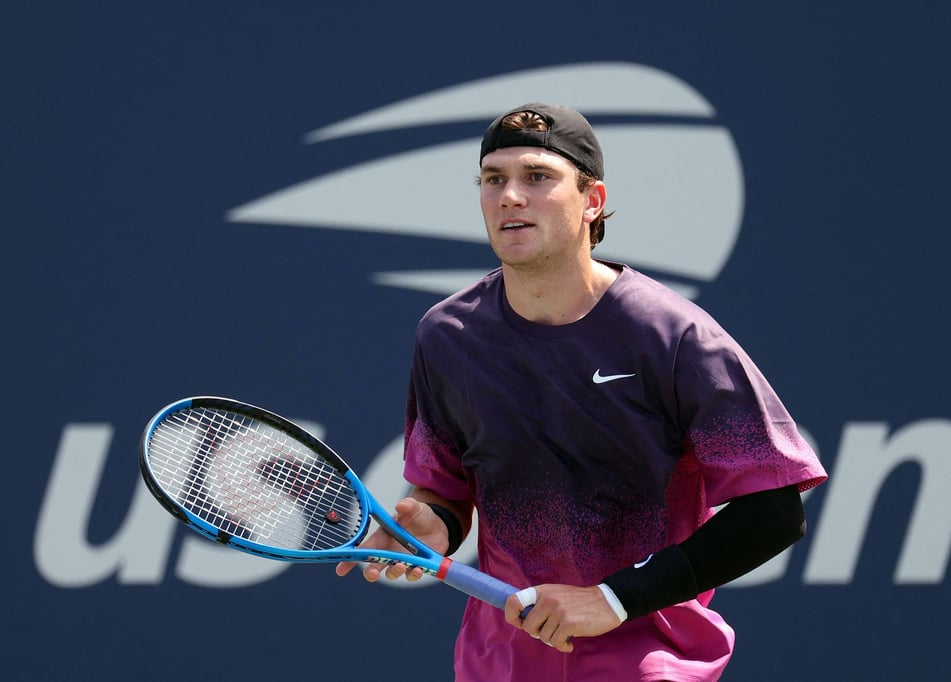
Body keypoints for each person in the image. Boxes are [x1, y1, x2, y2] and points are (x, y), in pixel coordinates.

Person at [336, 102, 828, 681]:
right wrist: (434, 524)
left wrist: (615, 598)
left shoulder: (672, 336)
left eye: (538, 177)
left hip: (644, 663)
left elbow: (774, 511)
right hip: (497, 665)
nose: (510, 197)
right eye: (494, 180)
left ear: (592, 201)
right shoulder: (448, 335)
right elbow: (446, 487)